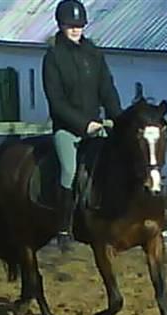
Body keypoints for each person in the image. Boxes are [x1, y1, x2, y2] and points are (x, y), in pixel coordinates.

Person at [42, 0, 122, 251]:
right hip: (68, 128)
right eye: (70, 26)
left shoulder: (94, 53)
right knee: (69, 170)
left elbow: (107, 88)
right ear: (61, 26)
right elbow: (56, 101)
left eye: (79, 25)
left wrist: (117, 119)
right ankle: (64, 226)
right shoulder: (53, 57)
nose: (76, 30)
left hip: (98, 124)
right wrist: (83, 124)